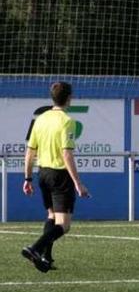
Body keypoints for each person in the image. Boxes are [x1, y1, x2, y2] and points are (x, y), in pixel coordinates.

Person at [21, 82, 90, 273]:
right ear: (69, 98)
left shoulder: (40, 119)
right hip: (60, 176)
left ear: (52, 97)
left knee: (51, 216)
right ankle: (35, 248)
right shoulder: (67, 121)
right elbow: (67, 154)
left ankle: (46, 257)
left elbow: (29, 152)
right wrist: (78, 182)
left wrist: (27, 179)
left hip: (43, 173)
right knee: (64, 225)